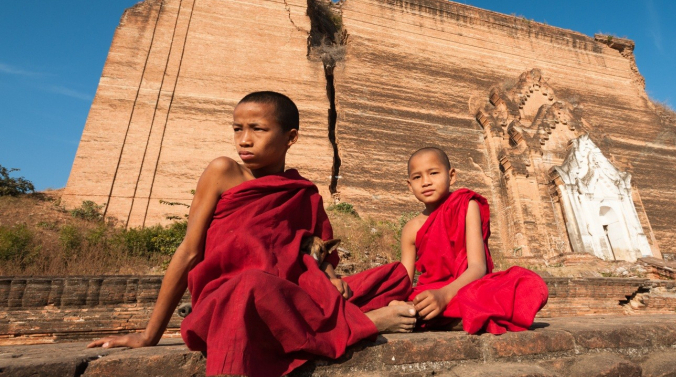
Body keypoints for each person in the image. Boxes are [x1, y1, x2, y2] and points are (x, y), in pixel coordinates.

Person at [88, 91, 415, 377]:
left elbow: (311, 249)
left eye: (258, 129)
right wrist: (149, 335)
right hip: (231, 298)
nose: (244, 139)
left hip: (287, 296)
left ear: (291, 137)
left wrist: (329, 276)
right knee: (251, 285)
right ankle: (367, 323)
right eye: (237, 129)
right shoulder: (223, 172)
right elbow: (189, 252)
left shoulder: (302, 192)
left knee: (392, 277)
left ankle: (342, 316)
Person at [401, 147, 549, 334]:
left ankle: (448, 318)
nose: (426, 182)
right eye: (417, 177)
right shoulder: (411, 229)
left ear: (451, 175)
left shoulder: (466, 205)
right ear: (409, 185)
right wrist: (399, 300)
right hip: (430, 293)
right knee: (397, 301)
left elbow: (478, 267)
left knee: (529, 284)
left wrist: (444, 295)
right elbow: (403, 282)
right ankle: (465, 317)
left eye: (433, 173)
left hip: (466, 288)